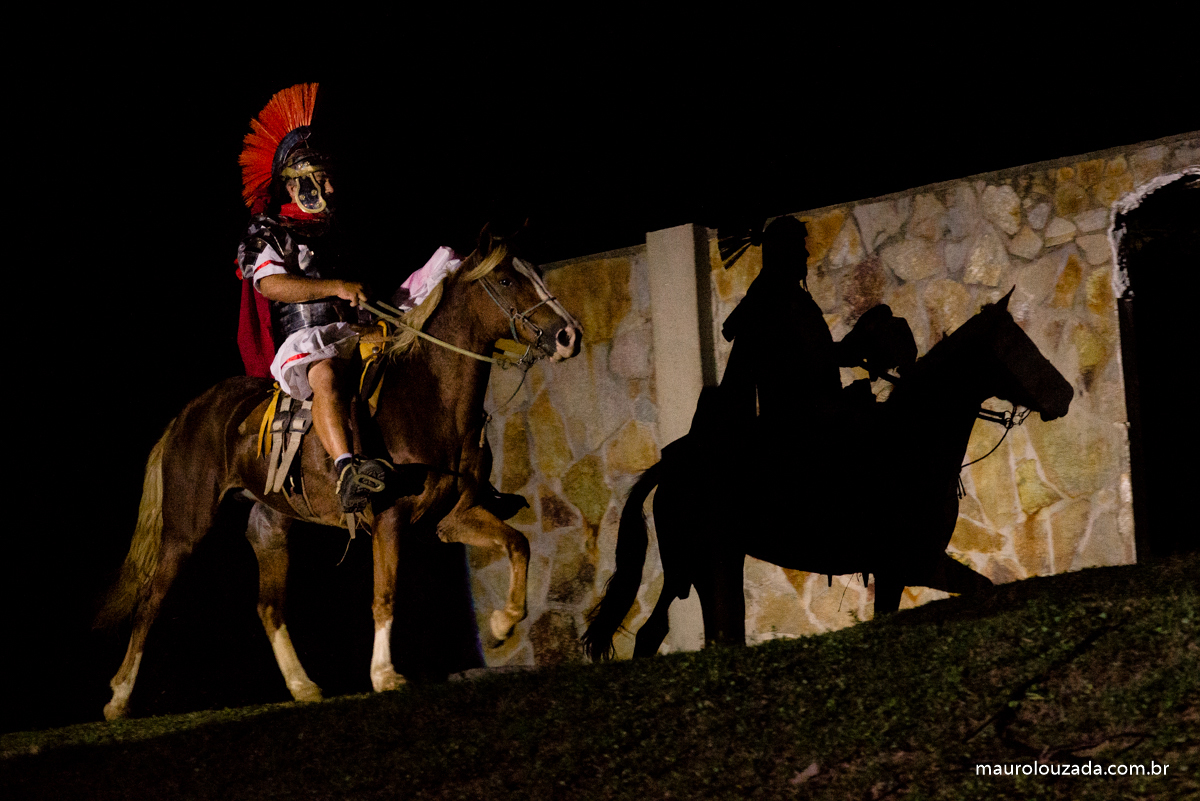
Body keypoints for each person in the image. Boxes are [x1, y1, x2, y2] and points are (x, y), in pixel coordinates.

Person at [235, 83, 390, 515]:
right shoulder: (269, 230)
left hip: (354, 330)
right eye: (320, 180)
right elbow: (271, 285)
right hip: (308, 339)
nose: (331, 188)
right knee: (325, 374)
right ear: (296, 184)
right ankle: (347, 470)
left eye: (329, 178)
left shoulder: (338, 232)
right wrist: (334, 287)